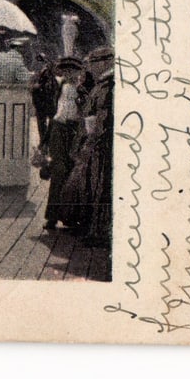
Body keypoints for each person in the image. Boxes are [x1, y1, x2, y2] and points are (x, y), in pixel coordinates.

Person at [64, 47, 115, 247]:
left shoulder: (107, 85)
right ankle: (92, 229)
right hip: (95, 144)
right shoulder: (102, 84)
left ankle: (99, 232)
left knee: (99, 188)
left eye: (93, 63)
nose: (90, 68)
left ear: (105, 62)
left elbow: (100, 120)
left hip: (99, 146)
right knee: (92, 187)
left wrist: (88, 145)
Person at [44, 57, 85, 231]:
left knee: (72, 172)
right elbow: (53, 111)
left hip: (74, 132)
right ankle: (52, 216)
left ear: (78, 72)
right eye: (65, 70)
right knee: (58, 171)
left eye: (72, 70)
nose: (69, 74)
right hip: (58, 130)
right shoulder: (60, 86)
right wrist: (45, 139)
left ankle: (69, 217)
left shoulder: (82, 89)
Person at [30, 54, 59, 152]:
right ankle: (44, 143)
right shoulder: (40, 72)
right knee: (43, 124)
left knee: (46, 123)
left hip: (46, 101)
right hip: (43, 101)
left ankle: (44, 143)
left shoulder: (49, 73)